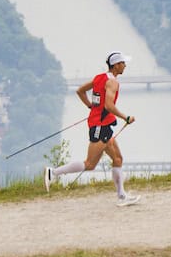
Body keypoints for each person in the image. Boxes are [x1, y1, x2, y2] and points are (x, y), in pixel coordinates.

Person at [45, 50, 139, 206]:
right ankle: (53, 173)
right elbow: (109, 105)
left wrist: (91, 106)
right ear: (116, 65)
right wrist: (126, 118)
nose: (125, 65)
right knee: (89, 164)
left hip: (103, 124)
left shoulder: (100, 78)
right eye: (123, 63)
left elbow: (80, 91)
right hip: (99, 127)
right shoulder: (113, 83)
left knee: (117, 159)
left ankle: (122, 196)